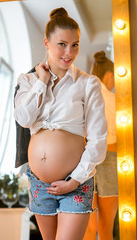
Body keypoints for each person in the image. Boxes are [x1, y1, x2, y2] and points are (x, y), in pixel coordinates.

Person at [14, 8, 107, 240]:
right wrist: (42, 83)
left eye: (75, 44)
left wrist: (74, 180)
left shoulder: (88, 84)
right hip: (39, 183)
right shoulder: (28, 81)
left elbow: (98, 139)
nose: (69, 52)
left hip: (75, 181)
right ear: (47, 43)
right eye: (62, 44)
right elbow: (24, 119)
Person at [84, 51, 118, 240]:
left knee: (88, 229)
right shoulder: (117, 101)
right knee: (106, 229)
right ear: (109, 75)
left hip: (87, 159)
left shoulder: (83, 98)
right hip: (111, 158)